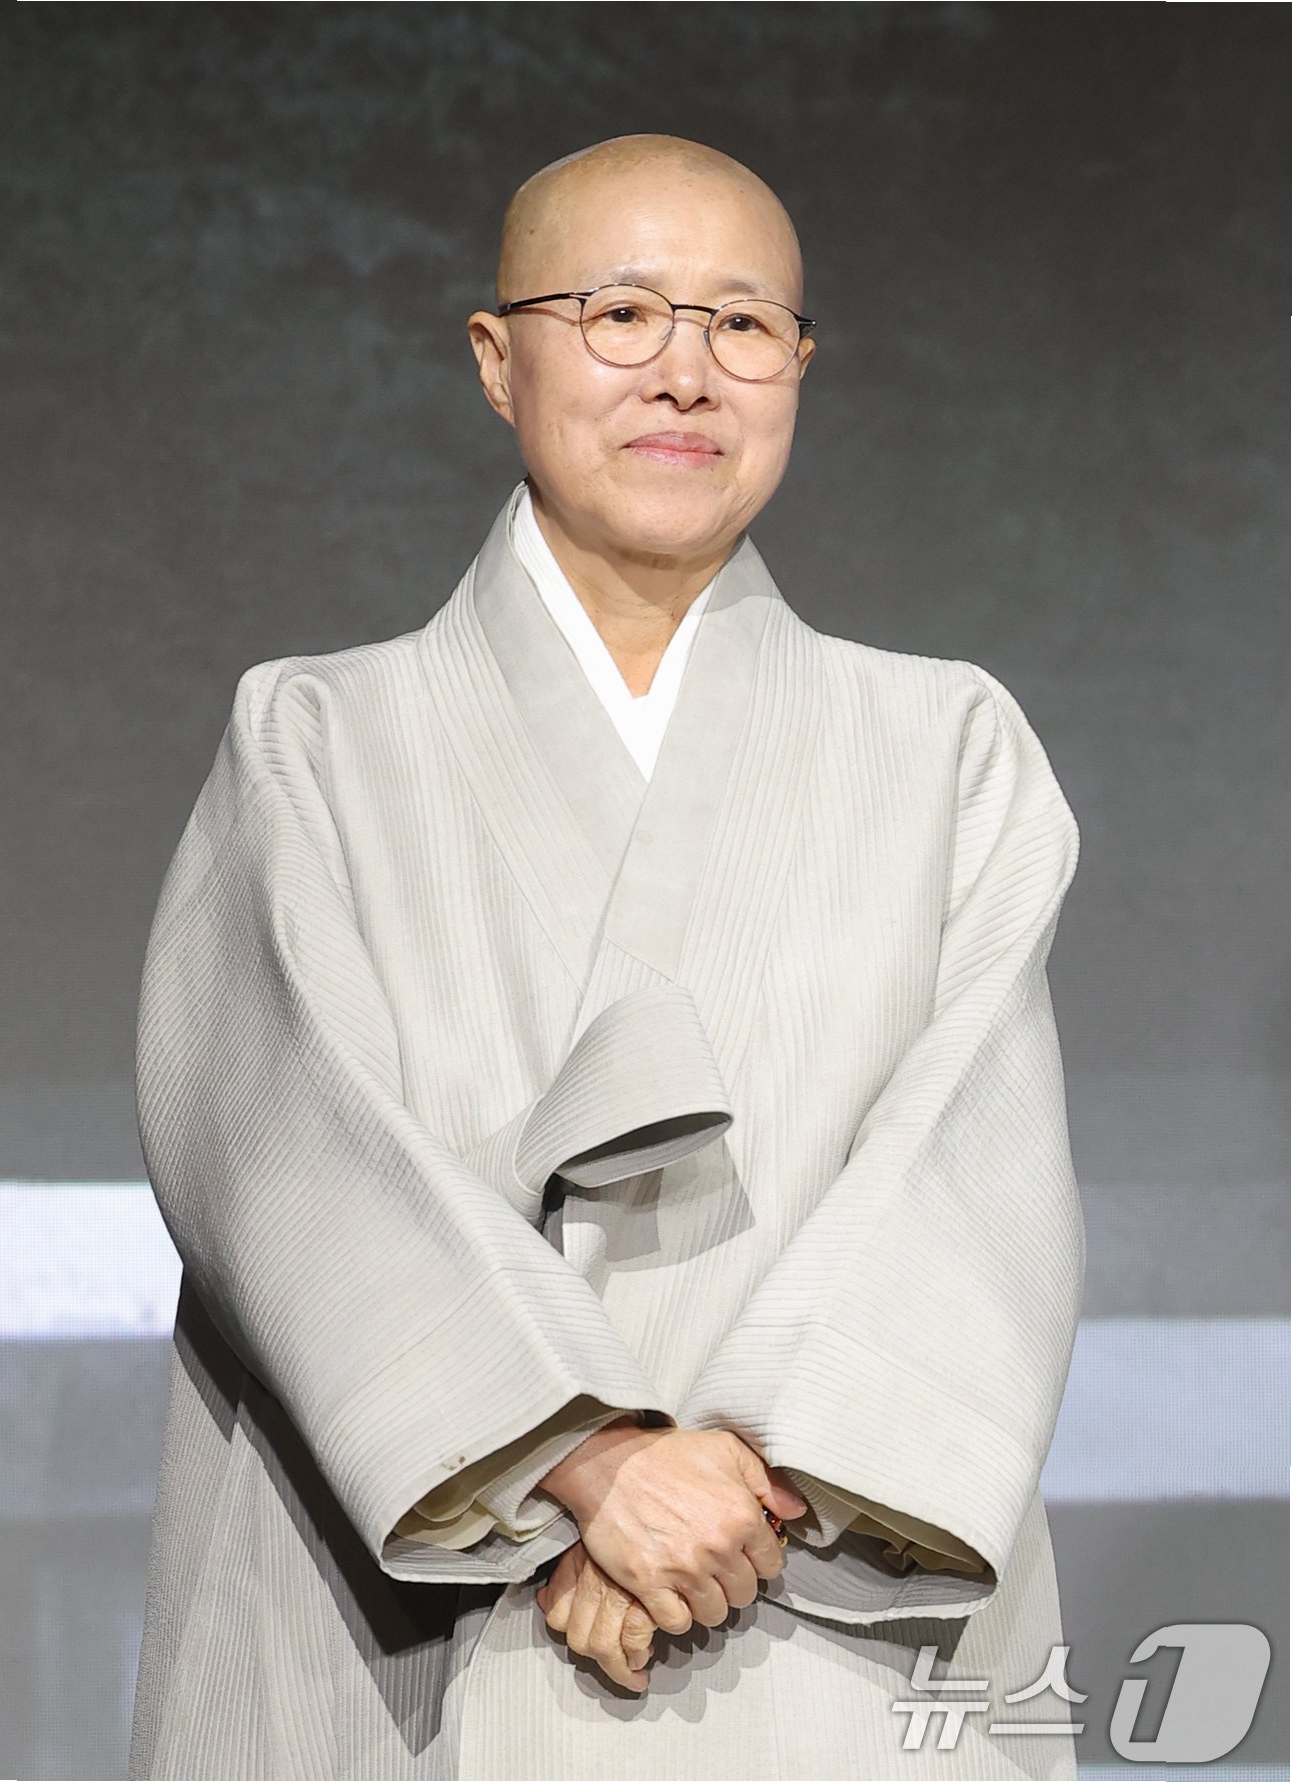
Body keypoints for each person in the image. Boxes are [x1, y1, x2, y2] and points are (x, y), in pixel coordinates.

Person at [127, 134, 1085, 1781]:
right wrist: (579, 1458)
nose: (684, 374)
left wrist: (722, 1489)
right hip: (410, 1597)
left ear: (798, 368)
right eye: (622, 312)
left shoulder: (944, 745)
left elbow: (974, 1182)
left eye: (742, 324)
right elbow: (279, 1152)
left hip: (815, 1587)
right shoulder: (317, 737)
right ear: (496, 358)